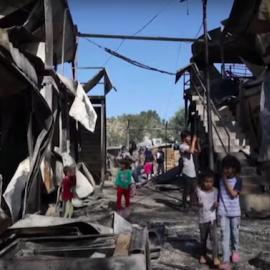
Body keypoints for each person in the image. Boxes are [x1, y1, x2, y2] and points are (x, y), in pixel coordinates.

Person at [218, 155, 242, 270]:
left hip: (235, 213)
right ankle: (225, 260)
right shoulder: (219, 180)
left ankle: (235, 251)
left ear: (235, 169)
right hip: (223, 212)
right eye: (225, 168)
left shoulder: (238, 180)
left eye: (229, 168)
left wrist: (225, 182)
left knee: (235, 234)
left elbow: (233, 195)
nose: (226, 170)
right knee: (224, 236)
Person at [195, 169, 220, 266]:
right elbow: (193, 202)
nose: (208, 184)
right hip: (202, 219)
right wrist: (197, 204)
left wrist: (217, 205)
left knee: (214, 238)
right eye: (206, 181)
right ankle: (203, 255)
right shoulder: (198, 191)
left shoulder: (216, 191)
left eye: (211, 182)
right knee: (203, 238)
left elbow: (217, 202)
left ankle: (215, 257)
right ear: (202, 181)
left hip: (212, 218)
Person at [179, 130, 200, 209]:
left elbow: (198, 151)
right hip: (186, 171)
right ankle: (184, 205)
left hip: (192, 171)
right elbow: (191, 151)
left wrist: (197, 142)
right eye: (188, 137)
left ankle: (191, 205)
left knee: (194, 189)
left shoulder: (189, 146)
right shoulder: (182, 146)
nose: (190, 138)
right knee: (186, 189)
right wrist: (194, 141)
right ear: (184, 138)